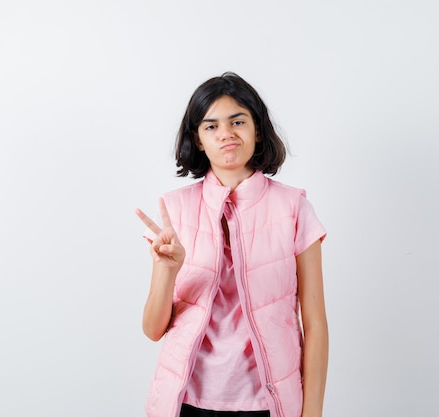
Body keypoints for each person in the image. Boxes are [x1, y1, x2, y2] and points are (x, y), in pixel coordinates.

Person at [135, 72, 328, 417]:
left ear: (257, 128)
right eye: (211, 127)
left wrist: (312, 412)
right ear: (197, 139)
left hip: (268, 404)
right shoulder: (174, 210)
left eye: (238, 121)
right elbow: (153, 330)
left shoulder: (293, 208)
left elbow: (314, 323)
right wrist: (168, 271)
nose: (226, 134)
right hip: (186, 403)